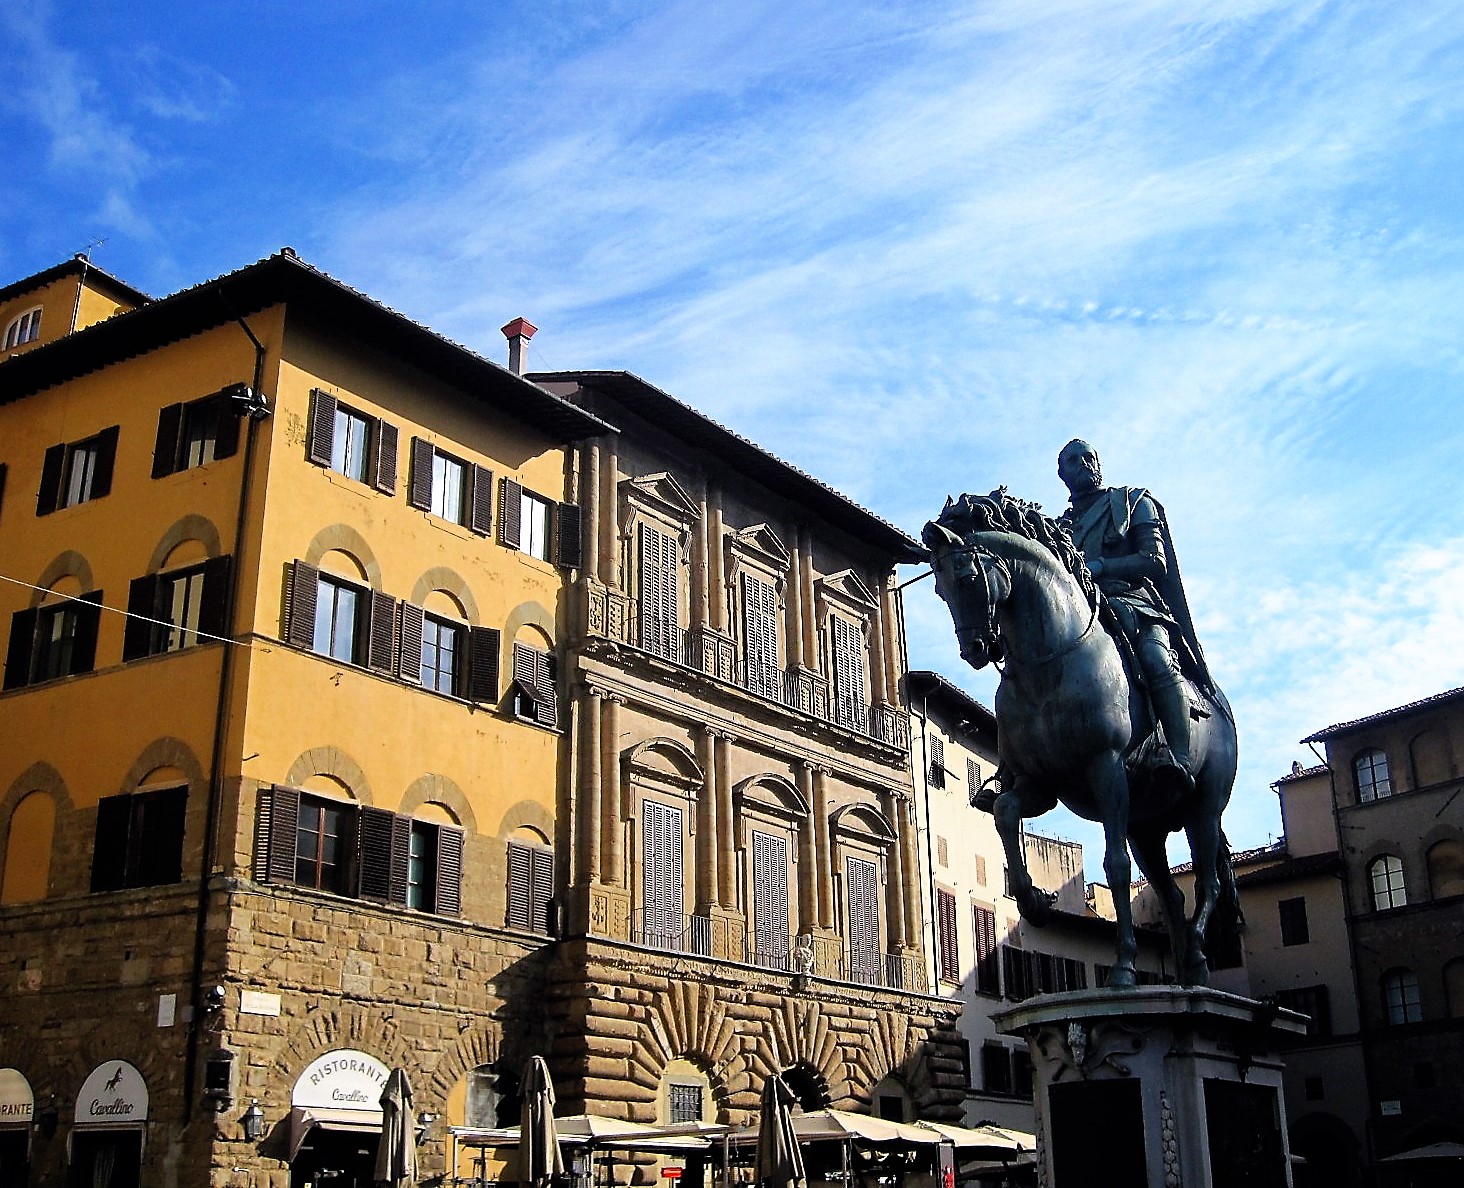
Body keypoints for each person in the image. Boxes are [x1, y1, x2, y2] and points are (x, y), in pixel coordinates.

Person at [1056, 439, 1207, 793]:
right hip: (1084, 612)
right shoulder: (1060, 528)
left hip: (1136, 604)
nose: (1084, 464)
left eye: (1089, 457)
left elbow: (1154, 561)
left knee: (1155, 659)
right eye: (1074, 461)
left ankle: (1179, 756)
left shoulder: (1133, 502)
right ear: (1062, 474)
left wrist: (1101, 566)